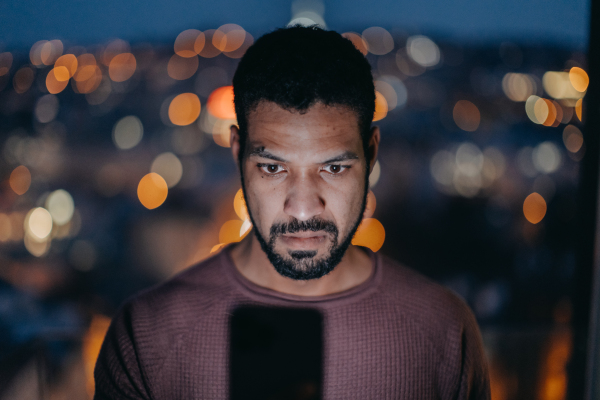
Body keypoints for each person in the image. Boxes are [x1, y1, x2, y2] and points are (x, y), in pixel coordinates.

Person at [94, 26, 490, 399]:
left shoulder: (444, 330)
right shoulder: (145, 337)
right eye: (273, 167)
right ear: (237, 152)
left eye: (334, 168)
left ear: (371, 154)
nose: (302, 208)